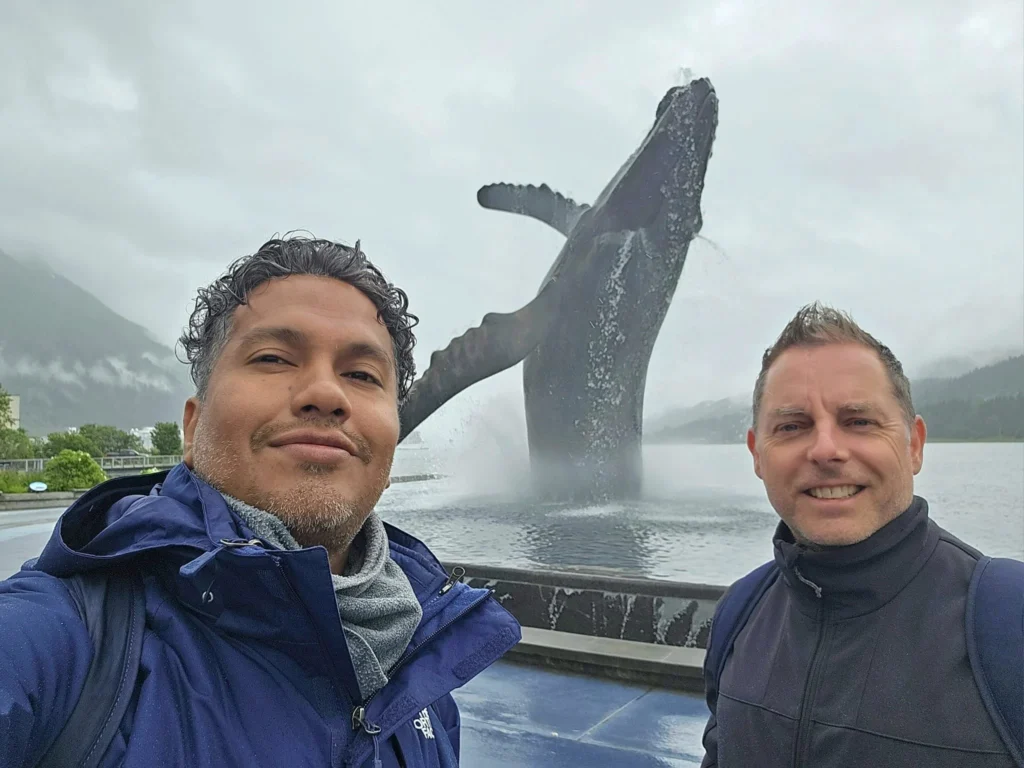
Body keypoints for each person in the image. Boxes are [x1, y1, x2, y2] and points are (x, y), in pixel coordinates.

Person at [0, 235, 521, 767]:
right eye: (273, 358)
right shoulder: (55, 643)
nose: (326, 393)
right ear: (192, 424)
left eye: (362, 375)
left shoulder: (425, 674)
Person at [699, 302, 1023, 767]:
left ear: (913, 445)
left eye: (859, 422)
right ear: (756, 453)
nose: (826, 449)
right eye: (792, 426)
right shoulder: (740, 613)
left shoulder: (1010, 621)